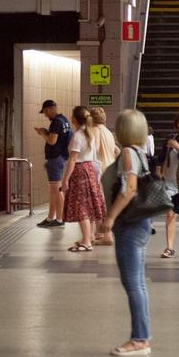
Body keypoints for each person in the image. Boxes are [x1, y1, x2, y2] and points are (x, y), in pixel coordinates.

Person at [98, 109, 156, 356]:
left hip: (130, 224)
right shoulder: (140, 152)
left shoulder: (128, 154)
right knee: (137, 283)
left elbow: (129, 189)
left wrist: (110, 218)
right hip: (141, 222)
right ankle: (142, 335)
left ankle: (139, 339)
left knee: (133, 283)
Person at [62, 106, 105, 252]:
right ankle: (89, 237)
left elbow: (73, 160)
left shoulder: (77, 136)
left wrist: (65, 179)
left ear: (74, 119)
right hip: (90, 170)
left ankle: (87, 241)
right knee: (89, 206)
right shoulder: (89, 134)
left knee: (82, 207)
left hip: (80, 171)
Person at [157, 109, 179, 258]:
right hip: (170, 182)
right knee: (170, 214)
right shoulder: (170, 139)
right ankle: (169, 247)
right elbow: (161, 158)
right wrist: (159, 173)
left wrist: (177, 147)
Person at [35, 100, 71, 228]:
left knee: (57, 190)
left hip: (55, 158)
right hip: (61, 158)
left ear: (51, 109)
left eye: (45, 112)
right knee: (53, 190)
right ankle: (51, 217)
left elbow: (52, 141)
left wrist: (43, 133)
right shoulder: (64, 120)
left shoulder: (56, 122)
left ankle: (60, 219)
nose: (45, 115)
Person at [89, 106, 120, 245]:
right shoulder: (108, 132)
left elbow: (93, 150)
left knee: (98, 203)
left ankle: (104, 235)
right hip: (111, 170)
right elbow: (116, 150)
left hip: (100, 170)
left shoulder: (95, 131)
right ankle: (102, 234)